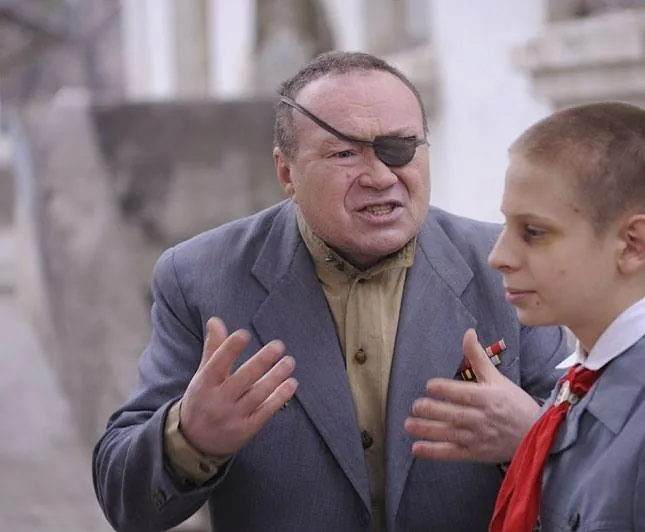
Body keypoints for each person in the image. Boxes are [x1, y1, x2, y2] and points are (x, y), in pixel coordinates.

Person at [92, 51, 568, 532]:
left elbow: (598, 481)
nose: (380, 176)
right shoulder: (199, 278)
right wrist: (189, 440)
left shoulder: (507, 266)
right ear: (286, 172)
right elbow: (125, 502)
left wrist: (531, 436)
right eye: (344, 154)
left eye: (400, 147)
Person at [466, 101, 644, 531]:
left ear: (632, 244)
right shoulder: (581, 382)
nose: (498, 257)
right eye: (506, 226)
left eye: (534, 232)